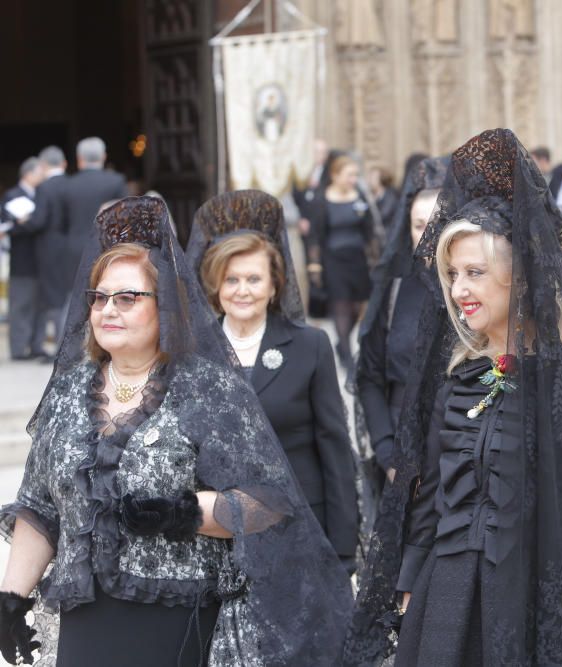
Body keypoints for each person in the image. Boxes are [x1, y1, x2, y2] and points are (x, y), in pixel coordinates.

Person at [344, 129, 562, 666]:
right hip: (448, 594)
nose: (458, 290)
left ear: (518, 278)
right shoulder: (457, 373)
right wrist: (408, 585)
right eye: (452, 274)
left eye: (475, 272)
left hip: (542, 596)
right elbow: (432, 491)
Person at [0, 196, 352, 666]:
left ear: (165, 304)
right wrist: (11, 597)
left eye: (127, 298)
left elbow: (268, 502)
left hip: (177, 616)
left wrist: (186, 513)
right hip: (87, 617)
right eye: (99, 298)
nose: (108, 309)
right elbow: (40, 507)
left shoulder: (209, 388)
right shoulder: (67, 391)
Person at [187, 189, 360, 574]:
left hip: (300, 529)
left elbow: (334, 446)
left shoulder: (310, 345)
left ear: (273, 284)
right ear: (216, 286)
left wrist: (343, 544)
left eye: (253, 278)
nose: (242, 290)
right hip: (218, 537)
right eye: (231, 279)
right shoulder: (195, 354)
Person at [355, 156, 449, 493]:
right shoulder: (396, 289)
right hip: (402, 446)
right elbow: (369, 375)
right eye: (419, 225)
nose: (428, 236)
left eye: (440, 222)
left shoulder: (481, 289)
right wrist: (386, 452)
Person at [306, 152, 377, 369]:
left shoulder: (359, 196)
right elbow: (315, 235)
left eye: (356, 175)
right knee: (341, 306)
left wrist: (374, 258)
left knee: (357, 307)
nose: (353, 180)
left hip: (357, 259)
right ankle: (346, 354)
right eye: (349, 175)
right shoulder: (322, 199)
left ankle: (342, 342)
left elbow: (370, 230)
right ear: (335, 175)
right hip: (333, 261)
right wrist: (315, 265)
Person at [62, 137, 129, 284]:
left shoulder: (68, 185)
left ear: (79, 159)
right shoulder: (116, 181)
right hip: (107, 248)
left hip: (75, 248)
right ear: (104, 157)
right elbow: (126, 217)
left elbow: (63, 221)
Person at [2, 157, 48, 360]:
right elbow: (8, 226)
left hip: (41, 259)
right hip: (21, 259)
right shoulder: (12, 195)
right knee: (20, 305)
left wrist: (27, 222)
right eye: (39, 173)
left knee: (40, 305)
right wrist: (26, 224)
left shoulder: (42, 195)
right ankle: (19, 348)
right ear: (29, 174)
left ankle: (36, 345)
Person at [31, 146, 72, 349]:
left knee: (53, 295)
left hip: (48, 246)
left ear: (44, 164)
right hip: (70, 244)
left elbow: (39, 221)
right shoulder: (72, 183)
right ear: (63, 163)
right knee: (69, 292)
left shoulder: (43, 188)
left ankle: (58, 342)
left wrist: (24, 221)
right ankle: (68, 341)